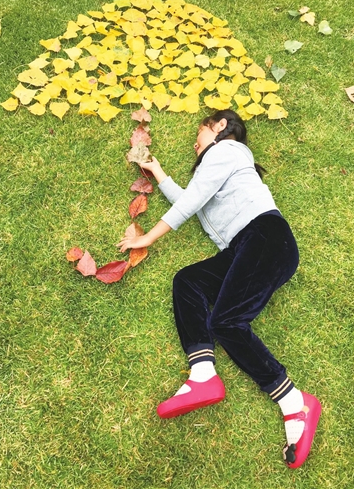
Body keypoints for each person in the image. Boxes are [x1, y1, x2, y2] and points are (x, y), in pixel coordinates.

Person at [117, 109, 321, 468]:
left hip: (265, 238)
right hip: (246, 248)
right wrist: (158, 173)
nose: (195, 145)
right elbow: (193, 201)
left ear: (221, 126)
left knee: (227, 322)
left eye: (198, 135)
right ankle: (203, 374)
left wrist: (148, 237)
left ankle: (295, 402)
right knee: (188, 281)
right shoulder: (217, 170)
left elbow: (191, 200)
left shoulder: (227, 151)